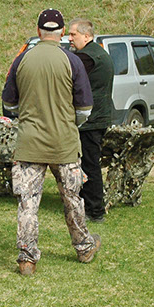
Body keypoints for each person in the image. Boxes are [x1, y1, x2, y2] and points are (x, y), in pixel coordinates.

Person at [2, 8, 102, 276]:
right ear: (62, 33)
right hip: (64, 144)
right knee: (72, 199)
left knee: (27, 203)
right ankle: (84, 248)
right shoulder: (73, 61)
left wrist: (27, 115)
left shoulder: (22, 60)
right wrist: (68, 124)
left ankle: (27, 259)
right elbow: (85, 108)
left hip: (30, 144)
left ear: (38, 31)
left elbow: (9, 103)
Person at [67, 18, 115, 223]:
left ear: (87, 36)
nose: (69, 38)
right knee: (88, 162)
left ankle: (95, 211)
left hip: (91, 119)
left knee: (89, 164)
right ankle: (88, 205)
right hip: (97, 117)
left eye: (73, 34)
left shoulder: (87, 57)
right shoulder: (97, 53)